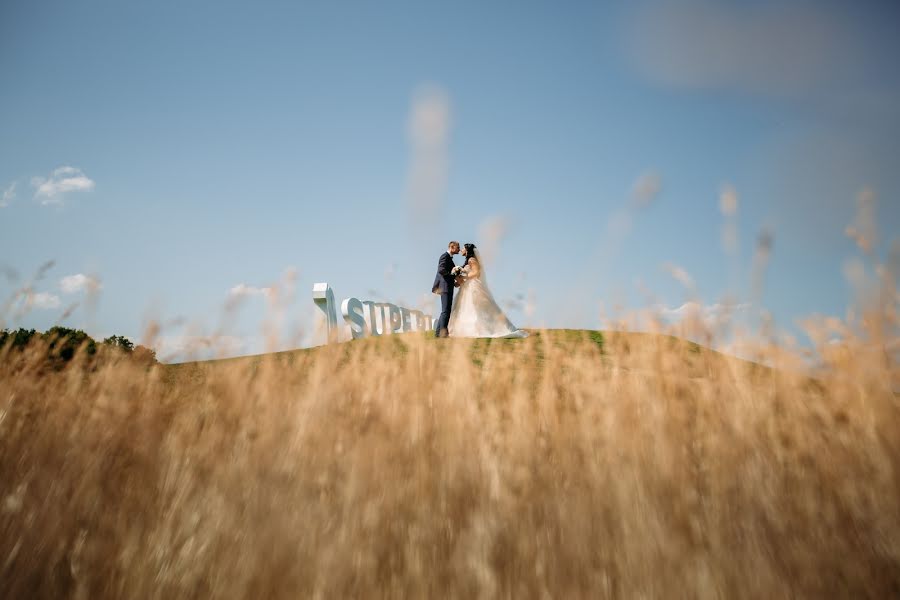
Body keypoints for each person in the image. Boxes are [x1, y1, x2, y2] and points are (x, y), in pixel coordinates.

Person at [448, 243, 528, 338]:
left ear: (468, 251)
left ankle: (482, 329)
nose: (461, 250)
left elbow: (476, 273)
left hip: (473, 286)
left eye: (464, 248)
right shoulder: (468, 261)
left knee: (475, 306)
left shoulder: (472, 259)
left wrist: (464, 276)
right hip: (466, 285)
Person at [431, 240, 460, 337]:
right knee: (446, 311)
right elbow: (441, 269)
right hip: (445, 287)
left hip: (448, 286)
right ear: (452, 247)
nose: (459, 250)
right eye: (457, 247)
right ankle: (443, 334)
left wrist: (454, 280)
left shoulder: (449, 259)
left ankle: (438, 333)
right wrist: (452, 276)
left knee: (445, 311)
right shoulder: (445, 256)